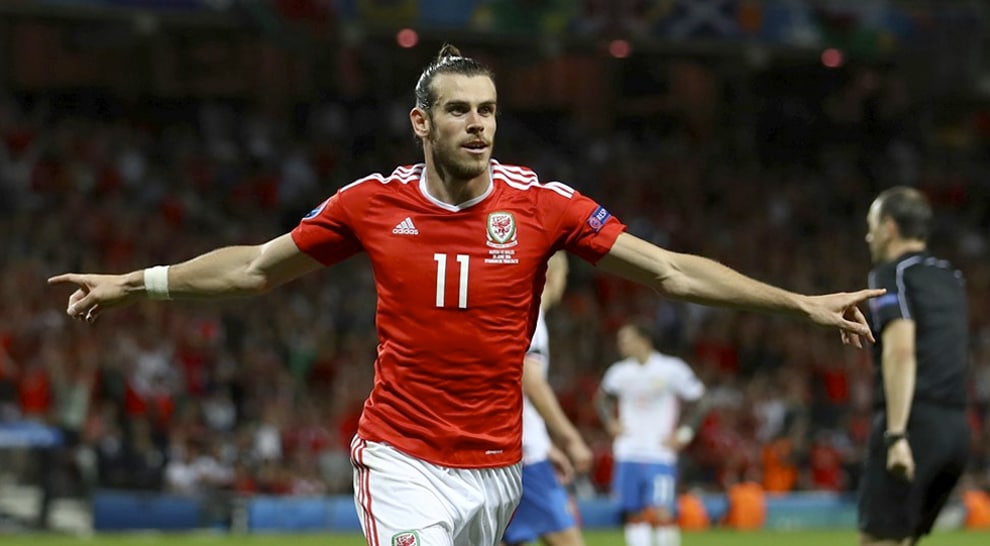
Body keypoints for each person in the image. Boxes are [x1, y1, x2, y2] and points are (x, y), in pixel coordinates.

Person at [49, 44, 882, 546]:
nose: (478, 124)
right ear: (422, 122)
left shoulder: (543, 205)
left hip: (498, 471)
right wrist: (137, 283)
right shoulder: (371, 204)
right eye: (458, 110)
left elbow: (669, 270)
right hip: (401, 457)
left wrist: (798, 303)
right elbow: (256, 268)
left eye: (487, 110)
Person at [858, 186, 970, 546]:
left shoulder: (892, 274)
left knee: (879, 541)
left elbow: (901, 351)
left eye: (872, 226)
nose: (868, 236)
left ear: (889, 228)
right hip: (956, 430)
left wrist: (896, 435)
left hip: (913, 424)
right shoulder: (951, 276)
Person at [502, 251, 591, 546]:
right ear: (553, 276)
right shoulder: (533, 315)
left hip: (510, 450)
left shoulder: (513, 312)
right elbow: (531, 382)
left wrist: (546, 445)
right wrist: (569, 437)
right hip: (525, 459)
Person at [594, 321, 710, 546]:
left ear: (644, 341)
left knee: (662, 512)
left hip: (659, 452)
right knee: (633, 512)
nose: (621, 344)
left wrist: (685, 433)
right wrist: (610, 422)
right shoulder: (619, 372)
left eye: (626, 339)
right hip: (628, 451)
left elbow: (701, 400)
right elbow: (601, 399)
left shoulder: (671, 369)